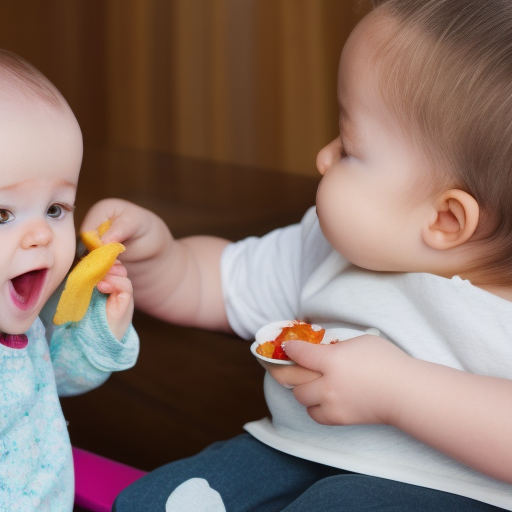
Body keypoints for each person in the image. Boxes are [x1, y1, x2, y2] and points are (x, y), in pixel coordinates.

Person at [84, 0, 512, 510]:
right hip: (288, 454)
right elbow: (218, 282)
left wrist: (397, 393)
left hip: (444, 493)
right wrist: (158, 259)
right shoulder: (332, 247)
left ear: (445, 219)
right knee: (154, 500)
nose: (323, 156)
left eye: (349, 148)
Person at [0, 49, 139, 512]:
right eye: (2, 214)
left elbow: (52, 380)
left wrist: (103, 329)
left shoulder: (23, 330)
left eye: (56, 209)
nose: (40, 235)